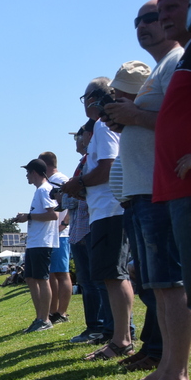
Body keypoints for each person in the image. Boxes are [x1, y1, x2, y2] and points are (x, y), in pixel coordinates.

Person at [103, 0, 191, 380]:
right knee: (159, 286)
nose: (144, 26)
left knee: (172, 284)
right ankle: (165, 368)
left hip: (160, 190)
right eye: (138, 21)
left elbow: (181, 122)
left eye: (153, 18)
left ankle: (177, 375)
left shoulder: (177, 60)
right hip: (145, 192)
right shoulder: (161, 67)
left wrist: (134, 117)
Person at [143, 0, 191, 380]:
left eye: (172, 6)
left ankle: (185, 376)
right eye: (158, 9)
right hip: (177, 189)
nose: (164, 16)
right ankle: (179, 372)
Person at [60, 78, 133, 362]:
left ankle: (122, 339)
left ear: (94, 98)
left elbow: (108, 168)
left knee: (114, 276)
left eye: (85, 97)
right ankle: (120, 337)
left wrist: (78, 182)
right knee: (110, 276)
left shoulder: (103, 127)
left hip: (110, 211)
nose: (85, 103)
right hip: (105, 211)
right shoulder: (103, 127)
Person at [65, 122, 109, 343]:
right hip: (80, 229)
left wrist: (71, 191)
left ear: (88, 136)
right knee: (88, 282)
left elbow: (73, 196)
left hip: (90, 225)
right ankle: (95, 326)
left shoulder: (92, 161)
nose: (77, 140)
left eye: (78, 136)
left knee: (99, 281)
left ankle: (101, 327)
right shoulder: (84, 161)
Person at [14, 159, 58, 332]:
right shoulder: (39, 191)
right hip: (34, 243)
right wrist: (26, 216)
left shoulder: (44, 190)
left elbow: (53, 215)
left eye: (27, 172)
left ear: (34, 172)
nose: (26, 176)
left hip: (42, 242)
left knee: (42, 279)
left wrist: (29, 217)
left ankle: (45, 319)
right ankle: (39, 317)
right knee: (31, 279)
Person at [38, 151, 72, 324]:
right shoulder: (51, 181)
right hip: (52, 235)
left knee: (62, 273)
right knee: (52, 273)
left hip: (61, 234)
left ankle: (62, 312)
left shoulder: (60, 179)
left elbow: (72, 203)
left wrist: (64, 225)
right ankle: (53, 311)